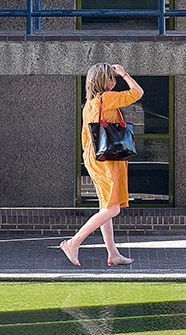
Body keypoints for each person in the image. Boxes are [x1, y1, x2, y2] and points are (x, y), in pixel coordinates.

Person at [61, 62, 143, 268]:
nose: (113, 80)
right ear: (102, 80)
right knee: (113, 209)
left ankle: (113, 253)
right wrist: (124, 72)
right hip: (107, 159)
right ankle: (73, 242)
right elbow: (137, 93)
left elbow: (85, 137)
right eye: (110, 77)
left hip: (95, 157)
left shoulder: (89, 103)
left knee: (105, 206)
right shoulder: (106, 99)